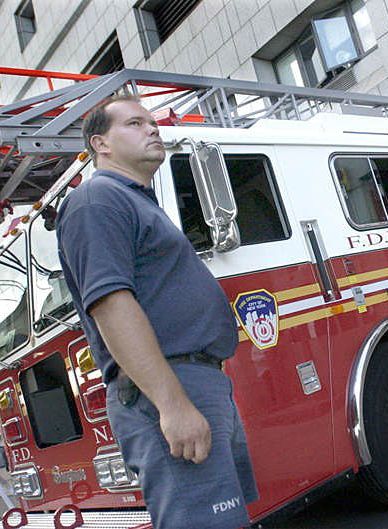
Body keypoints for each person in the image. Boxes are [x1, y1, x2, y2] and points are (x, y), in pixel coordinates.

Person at [56, 94, 257, 529]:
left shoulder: (134, 201)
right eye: (134, 123)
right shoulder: (97, 199)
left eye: (153, 122)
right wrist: (173, 405)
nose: (152, 129)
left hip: (192, 379)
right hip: (168, 384)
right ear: (100, 144)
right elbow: (110, 304)